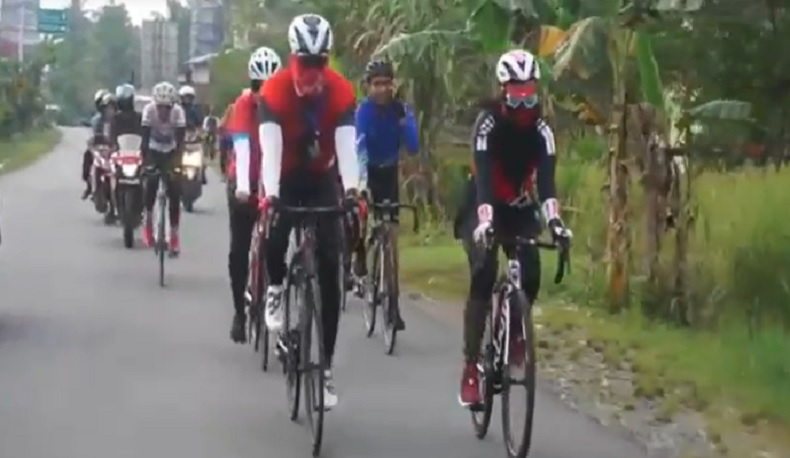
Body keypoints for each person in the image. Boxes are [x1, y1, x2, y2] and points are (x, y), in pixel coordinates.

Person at [455, 49, 572, 407]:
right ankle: (471, 366)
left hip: (519, 205)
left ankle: (516, 331)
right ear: (503, 91)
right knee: (484, 270)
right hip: (482, 203)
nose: (524, 104)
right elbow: (484, 178)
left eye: (529, 94)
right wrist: (485, 222)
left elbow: (547, 185)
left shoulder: (542, 131)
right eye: (516, 95)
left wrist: (556, 223)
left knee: (531, 271)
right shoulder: (487, 124)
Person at [259, 13, 359, 409]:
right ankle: (275, 288)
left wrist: (352, 192)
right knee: (275, 232)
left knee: (331, 270)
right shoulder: (275, 91)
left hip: (321, 177)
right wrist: (270, 196)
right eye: (306, 62)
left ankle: (327, 367)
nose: (313, 72)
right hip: (285, 176)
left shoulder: (340, 91)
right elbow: (270, 150)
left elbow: (347, 148)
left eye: (320, 63)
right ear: (293, 58)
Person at [351, 59, 418, 331]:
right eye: (377, 84)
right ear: (368, 86)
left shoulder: (399, 109)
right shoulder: (363, 112)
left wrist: (405, 120)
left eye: (387, 84)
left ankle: (393, 305)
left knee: (391, 234)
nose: (382, 89)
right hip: (367, 170)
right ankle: (359, 256)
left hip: (389, 173)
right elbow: (359, 147)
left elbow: (412, 146)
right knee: (361, 219)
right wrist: (362, 184)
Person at [226, 46, 283, 344]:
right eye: (259, 87)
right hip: (244, 178)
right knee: (239, 249)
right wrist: (243, 188)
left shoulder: (284, 105)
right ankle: (239, 311)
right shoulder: (243, 105)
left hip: (273, 179)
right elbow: (243, 146)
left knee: (277, 243)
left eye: (269, 88)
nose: (264, 94)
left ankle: (276, 294)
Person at [140, 81, 187, 255]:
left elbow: (181, 142)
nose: (163, 111)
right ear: (155, 104)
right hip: (153, 150)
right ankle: (148, 223)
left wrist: (178, 165)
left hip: (171, 151)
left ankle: (174, 235)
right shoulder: (148, 111)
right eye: (160, 107)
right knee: (151, 184)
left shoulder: (178, 112)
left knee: (175, 191)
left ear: (172, 106)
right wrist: (145, 163)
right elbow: (144, 140)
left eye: (167, 107)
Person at [81, 89, 110, 199]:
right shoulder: (96, 119)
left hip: (111, 147)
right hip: (98, 147)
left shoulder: (115, 118)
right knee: (87, 157)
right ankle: (89, 185)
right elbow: (92, 134)